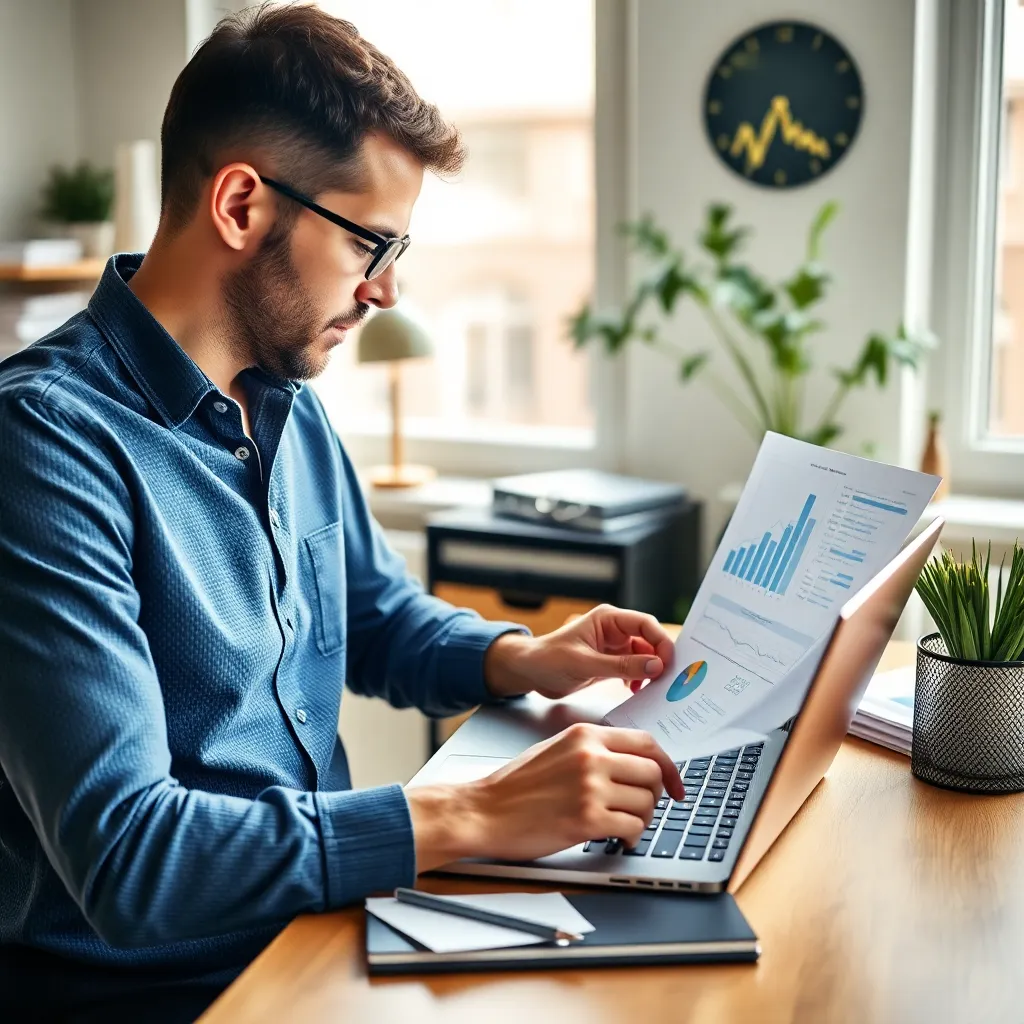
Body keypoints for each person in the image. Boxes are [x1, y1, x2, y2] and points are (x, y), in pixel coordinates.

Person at [0, 4, 683, 1019]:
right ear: (240, 204)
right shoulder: (44, 446)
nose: (384, 290)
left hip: (332, 930)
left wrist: (519, 655)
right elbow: (130, 856)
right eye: (371, 242)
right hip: (168, 994)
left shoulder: (285, 404)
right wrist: (467, 812)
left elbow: (371, 616)